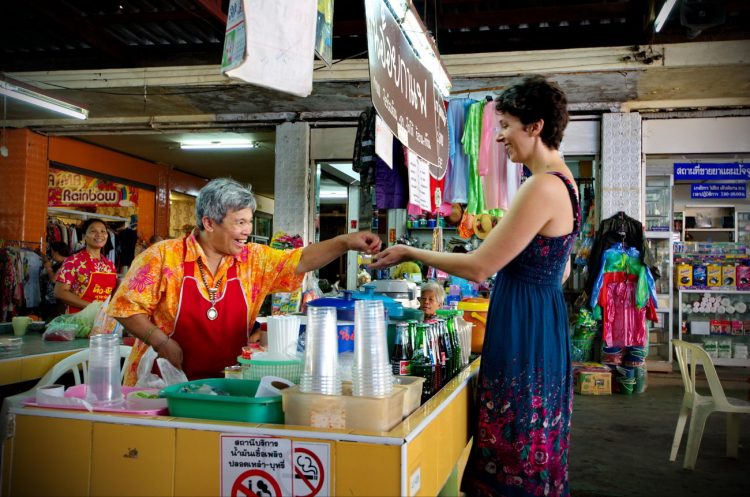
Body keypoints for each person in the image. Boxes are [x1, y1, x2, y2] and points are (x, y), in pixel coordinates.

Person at [370, 75, 579, 497]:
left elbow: (481, 266)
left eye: (505, 125)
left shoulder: (541, 185)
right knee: (533, 431)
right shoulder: (567, 182)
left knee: (516, 432)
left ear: (534, 126)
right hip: (542, 320)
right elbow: (564, 269)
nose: (500, 136)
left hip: (525, 327)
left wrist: (413, 252)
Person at [109, 178, 381, 385]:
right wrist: (161, 342)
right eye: (240, 222)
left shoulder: (253, 259)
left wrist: (345, 241)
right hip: (161, 381)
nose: (247, 231)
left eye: (249, 222)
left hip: (229, 382)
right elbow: (126, 307)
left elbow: (300, 260)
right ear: (209, 222)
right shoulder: (162, 256)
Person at [55, 218, 118, 314]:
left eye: (103, 231)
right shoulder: (73, 261)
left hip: (102, 320)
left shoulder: (110, 265)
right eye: (93, 231)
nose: (99, 235)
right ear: (84, 236)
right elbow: (60, 292)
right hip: (77, 319)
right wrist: (92, 307)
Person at [39, 241, 70, 320]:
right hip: (53, 301)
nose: (51, 254)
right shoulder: (59, 263)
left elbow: (54, 280)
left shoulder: (66, 264)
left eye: (51, 251)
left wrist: (49, 268)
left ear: (56, 252)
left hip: (57, 303)